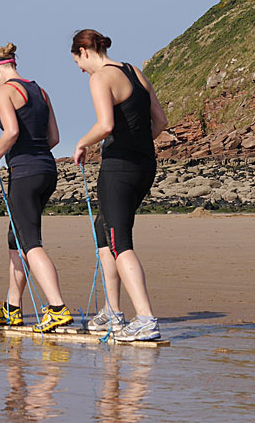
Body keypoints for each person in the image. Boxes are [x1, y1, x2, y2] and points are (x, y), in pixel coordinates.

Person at [71, 29, 168, 342]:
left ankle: (146, 319)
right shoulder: (134, 71)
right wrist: (137, 145)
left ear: (84, 52)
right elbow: (161, 122)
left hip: (119, 169)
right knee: (105, 230)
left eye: (77, 61)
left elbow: (106, 125)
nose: (79, 69)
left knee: (119, 242)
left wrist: (82, 143)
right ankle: (112, 312)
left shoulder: (100, 78)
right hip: (144, 165)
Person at [0, 43, 73, 333]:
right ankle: (13, 308)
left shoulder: (3, 91)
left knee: (30, 243)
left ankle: (57, 308)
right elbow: (54, 137)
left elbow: (12, 131)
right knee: (15, 239)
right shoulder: (40, 91)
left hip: (24, 173)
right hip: (47, 169)